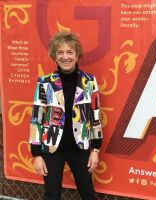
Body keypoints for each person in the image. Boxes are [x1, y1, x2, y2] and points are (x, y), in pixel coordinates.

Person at [29, 31, 103, 200]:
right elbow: (37, 119)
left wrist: (96, 149)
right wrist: (36, 155)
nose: (65, 57)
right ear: (54, 56)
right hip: (51, 149)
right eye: (60, 52)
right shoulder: (44, 83)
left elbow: (95, 115)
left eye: (70, 52)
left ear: (77, 55)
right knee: (52, 195)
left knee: (88, 193)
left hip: (80, 147)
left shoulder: (89, 81)